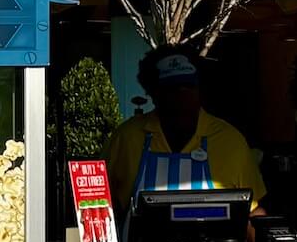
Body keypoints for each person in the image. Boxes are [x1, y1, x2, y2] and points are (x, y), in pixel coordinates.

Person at [103, 45, 266, 213]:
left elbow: (254, 211)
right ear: (152, 92)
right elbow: (100, 205)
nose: (181, 95)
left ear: (200, 89)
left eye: (188, 85)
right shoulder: (125, 139)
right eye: (171, 88)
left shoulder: (230, 141)